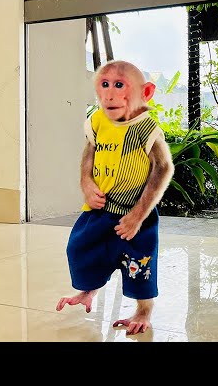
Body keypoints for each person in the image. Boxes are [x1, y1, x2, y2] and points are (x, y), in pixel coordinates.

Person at [56, 60, 175, 335]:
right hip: (100, 207)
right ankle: (89, 291)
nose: (110, 94)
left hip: (135, 211)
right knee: (83, 248)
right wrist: (86, 182)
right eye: (104, 84)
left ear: (145, 93)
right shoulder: (97, 120)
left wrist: (137, 216)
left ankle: (144, 311)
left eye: (119, 85)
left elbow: (163, 168)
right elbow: (89, 153)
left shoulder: (145, 127)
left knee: (139, 262)